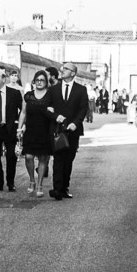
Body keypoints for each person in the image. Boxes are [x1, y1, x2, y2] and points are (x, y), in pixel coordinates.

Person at [45, 63, 90, 200]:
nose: (62, 70)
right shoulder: (54, 89)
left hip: (73, 131)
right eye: (62, 68)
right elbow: (47, 107)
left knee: (68, 160)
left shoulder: (81, 90)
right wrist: (55, 116)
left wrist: (75, 123)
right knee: (58, 159)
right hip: (58, 130)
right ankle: (57, 189)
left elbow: (83, 109)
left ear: (73, 73)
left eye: (65, 69)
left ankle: (64, 188)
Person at [17, 70, 53, 197]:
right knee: (28, 157)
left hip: (45, 130)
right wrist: (19, 128)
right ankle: (31, 180)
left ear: (46, 82)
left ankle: (39, 184)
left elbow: (55, 111)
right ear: (33, 82)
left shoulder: (50, 96)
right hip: (31, 130)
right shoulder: (28, 96)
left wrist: (52, 111)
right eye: (37, 80)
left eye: (42, 80)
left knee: (43, 158)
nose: (39, 82)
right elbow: (23, 112)